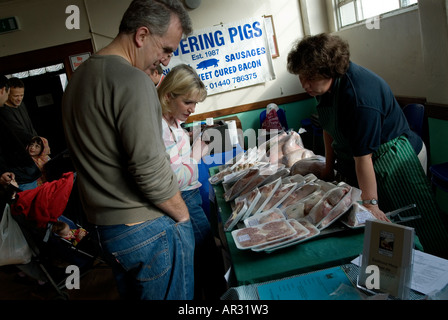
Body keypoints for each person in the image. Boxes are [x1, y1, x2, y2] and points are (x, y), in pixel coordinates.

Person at [62, 0, 194, 300]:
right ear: (142, 35)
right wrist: (182, 214)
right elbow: (148, 168)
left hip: (104, 228)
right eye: (166, 49)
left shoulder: (77, 79)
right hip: (144, 226)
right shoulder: (133, 80)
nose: (165, 61)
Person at [287, 33, 448, 256]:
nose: (305, 84)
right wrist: (327, 169)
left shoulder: (360, 97)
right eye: (302, 76)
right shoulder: (324, 88)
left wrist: (371, 203)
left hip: (395, 157)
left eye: (310, 77)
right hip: (365, 159)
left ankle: (434, 262)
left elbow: (363, 158)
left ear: (330, 70)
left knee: (407, 222)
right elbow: (328, 128)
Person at [158, 64, 227, 299]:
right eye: (188, 102)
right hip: (182, 199)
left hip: (190, 196)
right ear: (169, 96)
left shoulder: (173, 121)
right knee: (208, 258)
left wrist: (191, 144)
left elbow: (176, 160)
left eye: (195, 103)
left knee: (202, 256)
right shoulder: (161, 127)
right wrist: (196, 154)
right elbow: (171, 180)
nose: (192, 109)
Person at [0, 77, 38, 146]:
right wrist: (37, 141)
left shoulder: (21, 104)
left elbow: (30, 126)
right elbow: (19, 132)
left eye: (22, 95)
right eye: (16, 96)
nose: (19, 99)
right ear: (8, 93)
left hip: (34, 144)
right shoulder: (3, 110)